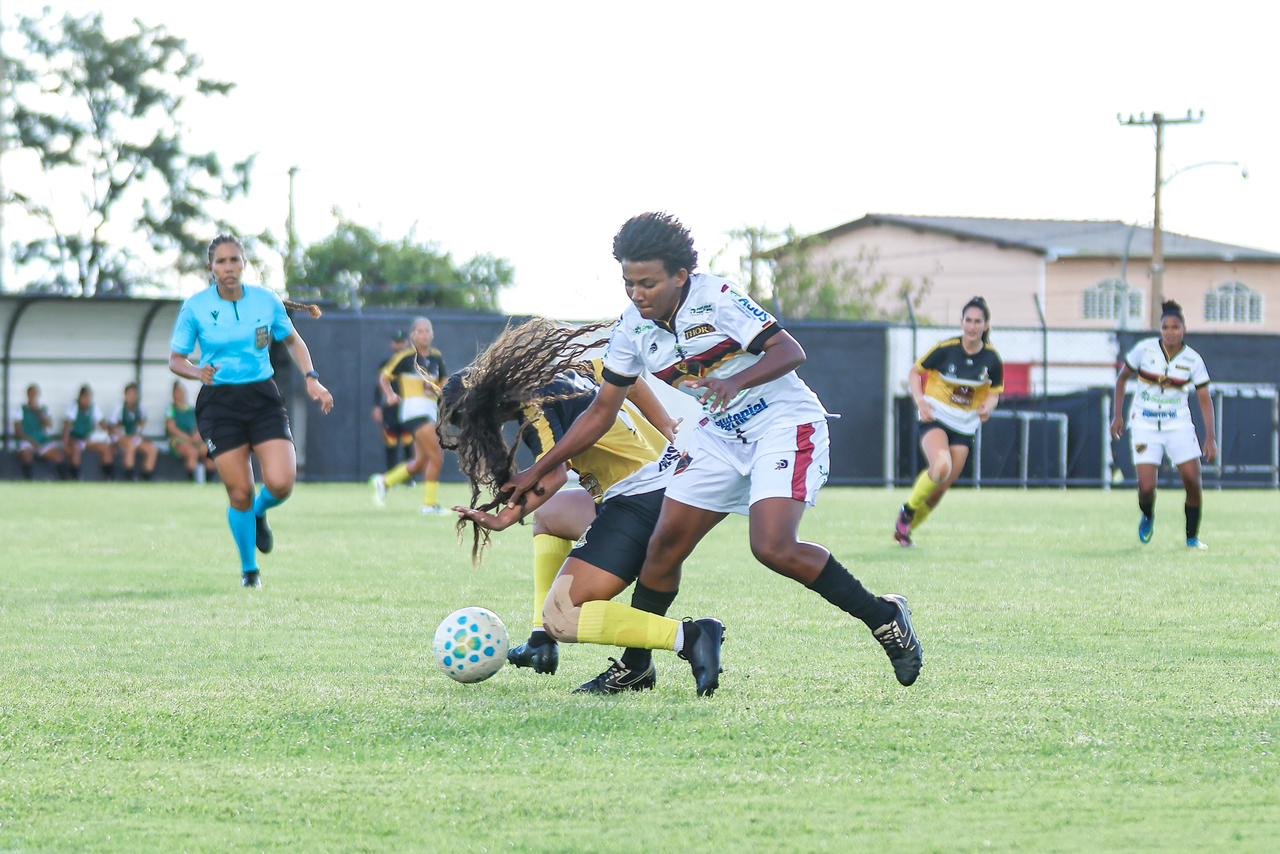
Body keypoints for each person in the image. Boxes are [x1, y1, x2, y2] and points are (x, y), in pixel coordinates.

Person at [503, 212, 922, 696]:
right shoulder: (631, 330)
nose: (637, 294)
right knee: (663, 547)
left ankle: (885, 616)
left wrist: (734, 381)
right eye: (628, 282)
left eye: (648, 283)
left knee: (773, 548)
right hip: (718, 437)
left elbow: (789, 350)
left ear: (681, 276)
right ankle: (637, 666)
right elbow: (599, 412)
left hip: (782, 424)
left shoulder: (716, 297)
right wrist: (539, 467)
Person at [440, 317, 684, 694]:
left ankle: (691, 636)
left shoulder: (534, 408)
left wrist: (505, 518)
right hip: (665, 481)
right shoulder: (568, 368)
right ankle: (541, 641)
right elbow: (630, 381)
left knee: (564, 616)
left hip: (641, 495)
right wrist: (665, 425)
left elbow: (553, 477)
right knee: (550, 518)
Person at [168, 234, 333, 588]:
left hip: (262, 398)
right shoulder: (195, 307)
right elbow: (176, 359)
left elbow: (293, 340)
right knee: (240, 491)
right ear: (211, 269)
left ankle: (259, 514)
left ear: (244, 264)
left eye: (234, 260)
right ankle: (250, 571)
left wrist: (312, 378)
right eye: (221, 262)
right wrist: (198, 372)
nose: (228, 267)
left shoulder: (265, 302)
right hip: (219, 404)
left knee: (281, 483)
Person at [893, 297, 1004, 547]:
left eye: (978, 321)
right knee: (941, 466)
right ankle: (907, 511)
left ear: (985, 325)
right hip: (937, 418)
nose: (972, 326)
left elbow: (995, 391)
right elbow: (915, 372)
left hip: (965, 427)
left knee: (939, 490)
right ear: (962, 322)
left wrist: (989, 406)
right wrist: (920, 400)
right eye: (968, 320)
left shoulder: (992, 359)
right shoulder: (946, 349)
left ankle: (904, 533)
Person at [1109, 300, 1217, 549]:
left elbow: (1204, 399)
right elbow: (1121, 379)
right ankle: (1147, 515)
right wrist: (1117, 415)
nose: (1170, 332)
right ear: (1160, 329)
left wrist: (1210, 437)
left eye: (1175, 327)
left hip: (1178, 424)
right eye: (1166, 327)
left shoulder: (1193, 360)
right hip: (1144, 423)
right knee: (1146, 487)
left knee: (1192, 481)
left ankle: (1192, 537)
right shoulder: (1144, 350)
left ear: (1183, 329)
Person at [369, 317, 448, 515]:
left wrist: (436, 388)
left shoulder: (437, 356)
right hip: (414, 411)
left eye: (427, 330)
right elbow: (384, 376)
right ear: (413, 335)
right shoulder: (405, 356)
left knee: (420, 462)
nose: (424, 334)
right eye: (419, 331)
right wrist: (390, 395)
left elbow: (445, 383)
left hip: (430, 412)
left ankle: (384, 482)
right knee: (437, 456)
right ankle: (429, 505)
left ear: (433, 333)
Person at [371, 330, 414, 471]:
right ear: (392, 344)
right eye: (397, 342)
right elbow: (379, 386)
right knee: (391, 441)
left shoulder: (412, 363)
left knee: (408, 442)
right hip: (390, 408)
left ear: (406, 343)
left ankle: (409, 478)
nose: (399, 345)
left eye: (402, 342)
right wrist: (377, 406)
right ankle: (390, 477)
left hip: (408, 406)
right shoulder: (386, 363)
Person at [62, 384, 115, 480]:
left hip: (88, 439)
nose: (87, 400)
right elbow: (67, 427)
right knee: (76, 448)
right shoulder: (73, 407)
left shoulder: (93, 408)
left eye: (89, 397)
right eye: (85, 397)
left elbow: (103, 425)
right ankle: (75, 476)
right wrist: (65, 445)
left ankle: (108, 476)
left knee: (106, 448)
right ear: (80, 397)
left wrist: (111, 434)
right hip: (75, 439)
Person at [14, 383, 67, 479]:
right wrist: (32, 442)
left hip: (42, 440)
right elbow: (18, 431)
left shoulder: (43, 409)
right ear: (27, 395)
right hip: (28, 440)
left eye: (35, 394)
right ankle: (28, 480)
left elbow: (49, 425)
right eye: (31, 394)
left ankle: (66, 480)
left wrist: (37, 412)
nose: (33, 396)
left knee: (59, 456)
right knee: (26, 456)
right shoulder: (21, 409)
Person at [110, 381, 160, 481]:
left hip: (135, 438)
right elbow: (113, 429)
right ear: (125, 395)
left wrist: (137, 435)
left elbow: (141, 426)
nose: (133, 396)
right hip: (120, 438)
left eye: (135, 394)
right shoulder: (119, 409)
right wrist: (125, 437)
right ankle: (129, 476)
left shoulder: (141, 409)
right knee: (130, 445)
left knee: (152, 449)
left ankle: (146, 476)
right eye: (130, 394)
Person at [166, 380, 213, 482]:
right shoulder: (171, 409)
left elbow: (199, 425)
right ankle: (191, 481)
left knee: (209, 451)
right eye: (178, 392)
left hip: (194, 440)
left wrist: (197, 435)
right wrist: (187, 437)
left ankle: (209, 482)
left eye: (182, 392)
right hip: (179, 440)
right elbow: (171, 428)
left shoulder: (191, 410)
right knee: (192, 452)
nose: (181, 394)